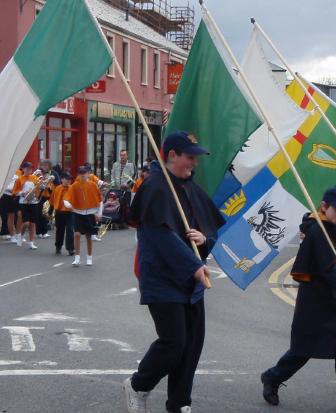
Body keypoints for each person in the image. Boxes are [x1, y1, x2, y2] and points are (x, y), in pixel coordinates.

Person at [123, 131, 225, 413]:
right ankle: (137, 385)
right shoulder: (155, 187)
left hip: (190, 281)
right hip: (162, 279)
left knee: (191, 346)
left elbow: (210, 230)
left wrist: (205, 240)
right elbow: (161, 238)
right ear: (171, 156)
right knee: (174, 343)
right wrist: (193, 266)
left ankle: (179, 404)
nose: (194, 163)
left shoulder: (191, 188)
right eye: (189, 157)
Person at [261, 187, 336, 413]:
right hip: (316, 300)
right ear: (324, 207)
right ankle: (272, 377)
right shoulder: (318, 231)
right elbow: (329, 269)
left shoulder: (335, 228)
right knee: (303, 350)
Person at [63, 166, 103, 266]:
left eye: (84, 173)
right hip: (78, 213)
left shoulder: (93, 185)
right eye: (81, 174)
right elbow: (66, 198)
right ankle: (77, 258)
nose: (83, 175)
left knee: (88, 236)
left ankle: (89, 257)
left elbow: (100, 200)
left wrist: (99, 213)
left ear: (88, 174)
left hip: (90, 213)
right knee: (76, 234)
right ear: (79, 175)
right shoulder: (74, 186)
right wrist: (68, 204)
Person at [12, 162, 40, 249]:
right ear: (23, 169)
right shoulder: (19, 179)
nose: (29, 170)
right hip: (23, 202)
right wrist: (22, 193)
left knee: (32, 223)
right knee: (26, 223)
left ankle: (31, 242)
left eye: (30, 169)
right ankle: (20, 234)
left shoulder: (35, 178)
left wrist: (41, 188)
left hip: (33, 202)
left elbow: (38, 190)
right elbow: (14, 192)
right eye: (27, 168)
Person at [50, 172, 74, 256]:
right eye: (67, 179)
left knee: (70, 230)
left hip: (70, 212)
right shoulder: (57, 188)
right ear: (62, 179)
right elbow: (52, 200)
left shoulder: (72, 188)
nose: (68, 181)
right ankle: (58, 246)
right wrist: (51, 210)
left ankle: (70, 248)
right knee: (60, 230)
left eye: (69, 179)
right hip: (59, 212)